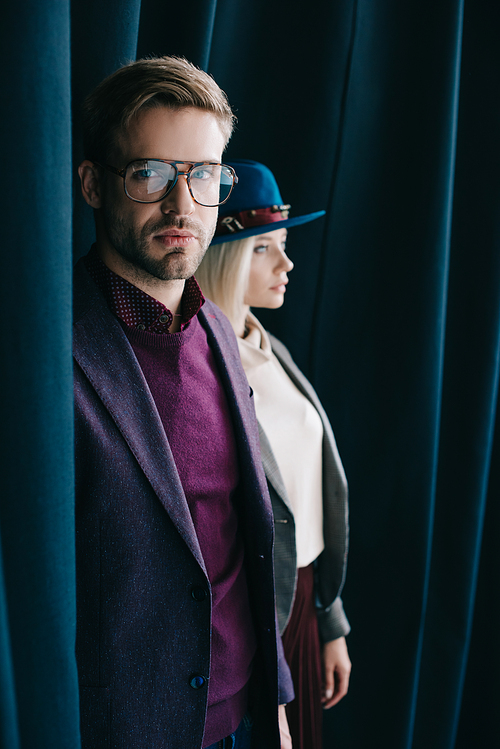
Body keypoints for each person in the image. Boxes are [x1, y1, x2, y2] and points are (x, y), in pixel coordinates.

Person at [74, 59, 294, 749]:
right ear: (92, 184)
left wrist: (278, 703)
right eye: (151, 174)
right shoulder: (46, 350)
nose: (182, 206)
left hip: (246, 717)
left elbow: (246, 539)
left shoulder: (219, 333)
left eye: (203, 175)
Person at [196, 159, 351, 749]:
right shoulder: (204, 365)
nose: (287, 265)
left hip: (302, 600)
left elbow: (307, 495)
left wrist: (328, 621)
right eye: (265, 249)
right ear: (227, 253)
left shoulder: (268, 347)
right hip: (250, 618)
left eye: (283, 247)